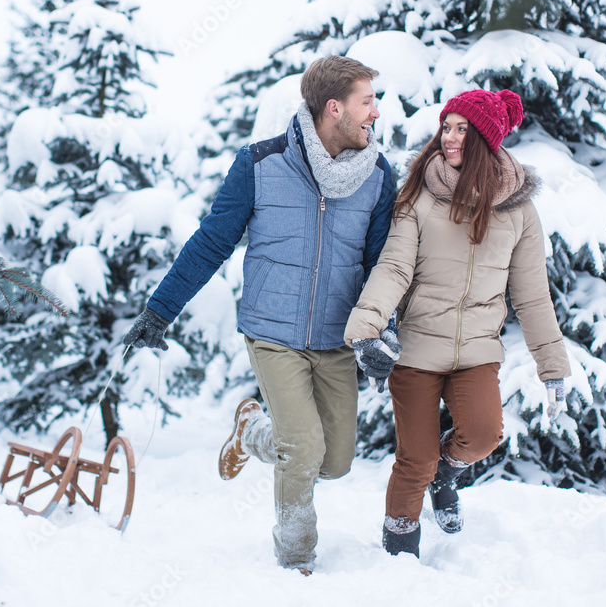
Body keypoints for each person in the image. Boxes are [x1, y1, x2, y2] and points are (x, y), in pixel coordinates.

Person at [123, 55, 396, 574]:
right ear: (334, 108)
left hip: (336, 338)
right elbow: (211, 242)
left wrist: (385, 332)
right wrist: (161, 309)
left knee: (334, 463)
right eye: (368, 101)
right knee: (304, 446)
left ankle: (250, 432)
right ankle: (296, 562)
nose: (376, 114)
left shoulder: (378, 175)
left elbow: (383, 265)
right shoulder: (261, 164)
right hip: (274, 334)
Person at [344, 88, 571, 559]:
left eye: (461, 129)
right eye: (446, 127)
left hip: (477, 353)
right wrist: (366, 326)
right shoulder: (419, 197)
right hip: (418, 351)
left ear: (486, 140)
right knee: (415, 460)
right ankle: (399, 549)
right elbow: (394, 268)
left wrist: (552, 365)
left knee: (485, 434)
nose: (448, 137)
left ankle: (446, 475)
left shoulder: (519, 212)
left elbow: (532, 294)